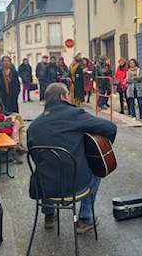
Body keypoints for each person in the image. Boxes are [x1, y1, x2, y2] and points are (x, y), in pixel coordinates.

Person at [27, 83, 117, 233]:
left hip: (44, 188)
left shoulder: (33, 126)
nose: (70, 97)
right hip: (75, 186)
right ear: (62, 97)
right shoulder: (74, 114)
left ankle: (49, 216)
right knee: (98, 170)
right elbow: (110, 127)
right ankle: (84, 219)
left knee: (47, 166)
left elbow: (35, 156)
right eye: (68, 94)